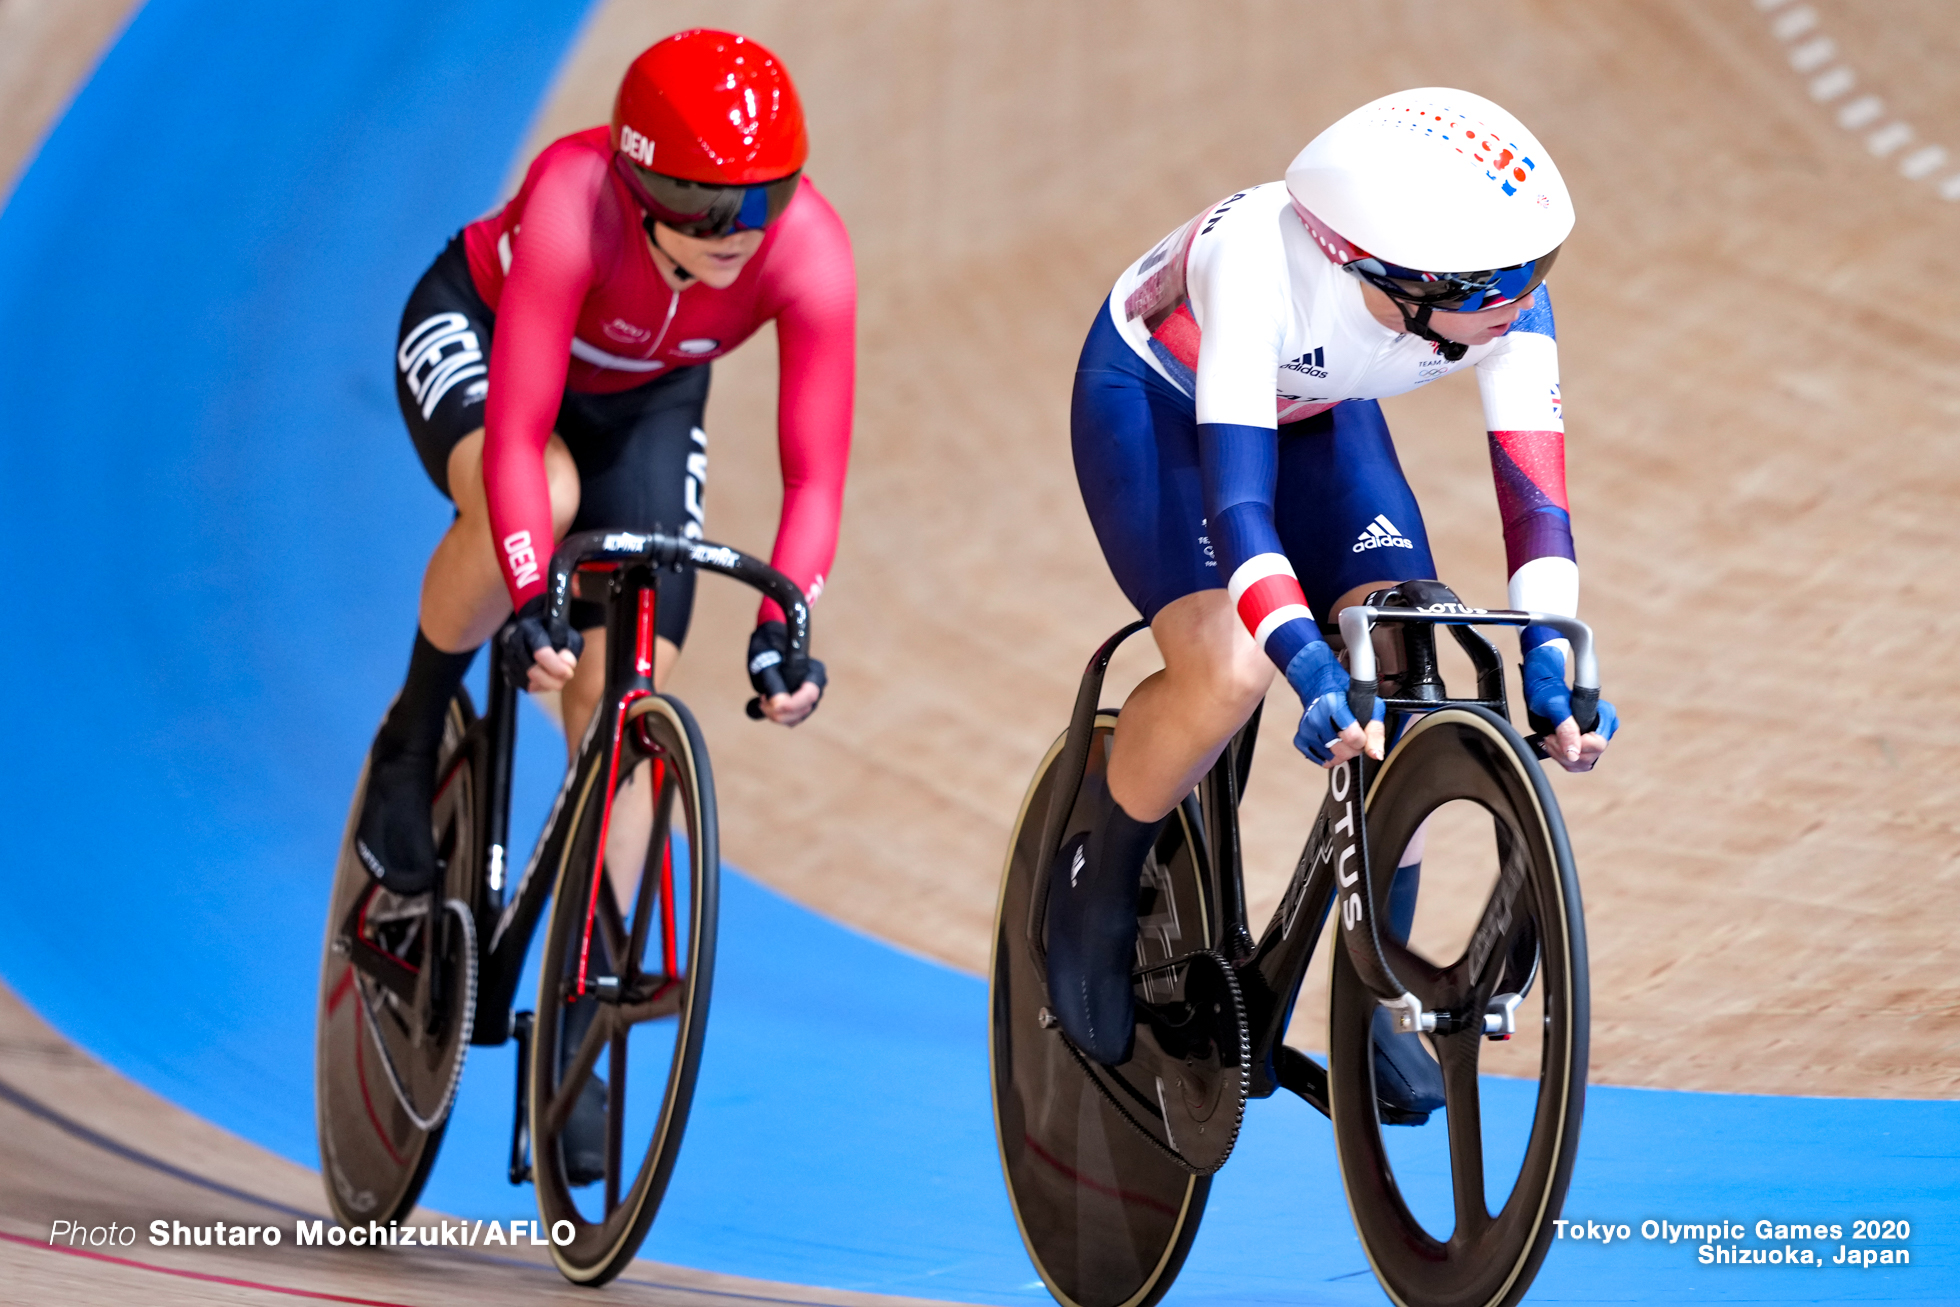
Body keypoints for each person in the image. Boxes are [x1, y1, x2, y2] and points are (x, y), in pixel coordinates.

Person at [1050, 89, 1619, 1119]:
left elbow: (1537, 508)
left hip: (1316, 412)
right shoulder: (1257, 272)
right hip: (1160, 411)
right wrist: (1306, 660)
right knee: (1229, 669)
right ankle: (1094, 883)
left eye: (1540, 268)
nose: (1528, 297)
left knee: (1409, 648)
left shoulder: (1497, 297)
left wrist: (1550, 652)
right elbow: (1239, 511)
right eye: (1503, 280)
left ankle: (1370, 991)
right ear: (1395, 280)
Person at [356, 28, 853, 901]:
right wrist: (525, 590)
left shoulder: (810, 249)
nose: (739, 233)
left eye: (763, 199)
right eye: (706, 206)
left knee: (626, 679)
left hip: (646, 401)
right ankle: (412, 729)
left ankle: (597, 970)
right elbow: (516, 434)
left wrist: (787, 620)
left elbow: (814, 477)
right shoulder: (573, 197)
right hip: (485, 331)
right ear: (644, 185)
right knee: (543, 493)